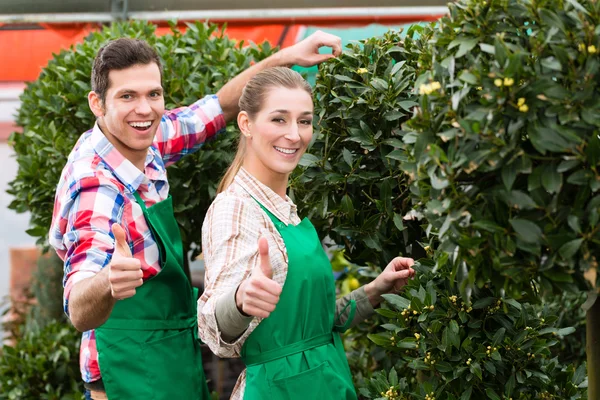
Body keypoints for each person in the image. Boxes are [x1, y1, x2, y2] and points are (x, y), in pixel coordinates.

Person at [49, 32, 342, 400]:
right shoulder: (97, 188)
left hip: (170, 357)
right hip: (128, 376)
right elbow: (79, 308)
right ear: (97, 103)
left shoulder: (144, 138)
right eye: (127, 96)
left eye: (153, 94)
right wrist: (107, 281)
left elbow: (214, 110)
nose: (145, 109)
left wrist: (287, 57)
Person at [198, 67, 416, 400]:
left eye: (304, 121)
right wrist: (241, 300)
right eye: (279, 119)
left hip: (324, 383)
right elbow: (212, 330)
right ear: (246, 124)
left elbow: (316, 324)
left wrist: (375, 291)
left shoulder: (285, 207)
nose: (295, 135)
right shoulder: (237, 208)